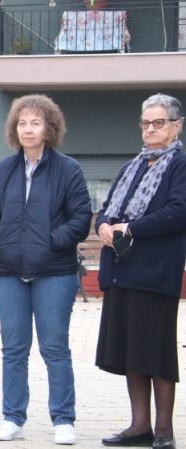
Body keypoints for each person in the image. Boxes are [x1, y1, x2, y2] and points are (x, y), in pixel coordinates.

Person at [0, 94, 91, 445]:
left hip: (55, 271)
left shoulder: (68, 169)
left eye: (35, 123)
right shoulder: (3, 170)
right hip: (7, 272)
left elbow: (80, 219)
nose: (28, 129)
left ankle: (63, 419)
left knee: (54, 347)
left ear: (49, 128)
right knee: (13, 348)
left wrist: (50, 242)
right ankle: (12, 417)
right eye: (22, 123)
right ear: (14, 129)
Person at [94, 93, 184, 449]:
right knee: (132, 351)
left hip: (155, 273)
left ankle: (164, 430)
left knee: (156, 353)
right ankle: (139, 426)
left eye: (158, 122)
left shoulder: (180, 164)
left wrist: (132, 229)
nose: (150, 129)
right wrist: (103, 226)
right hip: (122, 271)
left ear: (176, 126)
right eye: (145, 123)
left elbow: (178, 211)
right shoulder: (133, 165)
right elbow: (107, 209)